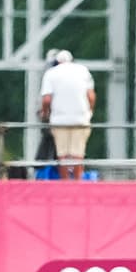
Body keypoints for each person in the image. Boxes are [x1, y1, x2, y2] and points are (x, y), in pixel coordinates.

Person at [38, 50, 95, 180]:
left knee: (62, 154)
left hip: (59, 119)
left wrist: (45, 113)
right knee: (78, 154)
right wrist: (89, 112)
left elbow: (47, 99)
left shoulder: (51, 73)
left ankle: (65, 183)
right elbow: (91, 96)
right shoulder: (83, 71)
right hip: (81, 118)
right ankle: (78, 182)